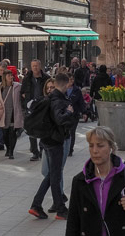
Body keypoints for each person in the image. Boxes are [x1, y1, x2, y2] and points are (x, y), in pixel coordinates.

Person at [65, 126, 125, 236]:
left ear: (111, 148)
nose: (95, 150)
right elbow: (73, 222)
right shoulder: (80, 181)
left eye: (100, 145)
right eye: (91, 146)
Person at [29, 74, 76, 220]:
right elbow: (59, 118)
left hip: (47, 140)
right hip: (55, 141)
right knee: (54, 175)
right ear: (67, 84)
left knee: (52, 175)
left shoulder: (50, 97)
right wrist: (68, 112)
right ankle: (59, 209)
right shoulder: (58, 100)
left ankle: (38, 205)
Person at [21, 59, 50, 161]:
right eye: (33, 66)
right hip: (31, 107)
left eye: (36, 66)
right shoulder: (27, 78)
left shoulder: (46, 78)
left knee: (43, 128)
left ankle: (42, 148)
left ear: (40, 66)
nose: (35, 68)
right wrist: (24, 104)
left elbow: (50, 90)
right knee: (31, 129)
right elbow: (22, 92)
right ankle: (34, 152)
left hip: (42, 107)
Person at [0, 70, 23, 159]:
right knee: (5, 133)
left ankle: (11, 152)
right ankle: (8, 148)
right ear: (5, 77)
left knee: (12, 132)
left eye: (12, 75)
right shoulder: (0, 86)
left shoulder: (17, 86)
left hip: (14, 112)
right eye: (9, 76)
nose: (11, 77)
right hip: (4, 113)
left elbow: (22, 96)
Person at [66, 74, 86, 157]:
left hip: (74, 114)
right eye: (69, 79)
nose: (71, 81)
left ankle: (70, 149)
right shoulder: (62, 89)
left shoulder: (77, 90)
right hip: (65, 114)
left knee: (72, 132)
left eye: (72, 79)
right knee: (65, 132)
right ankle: (65, 147)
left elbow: (81, 102)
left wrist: (84, 112)